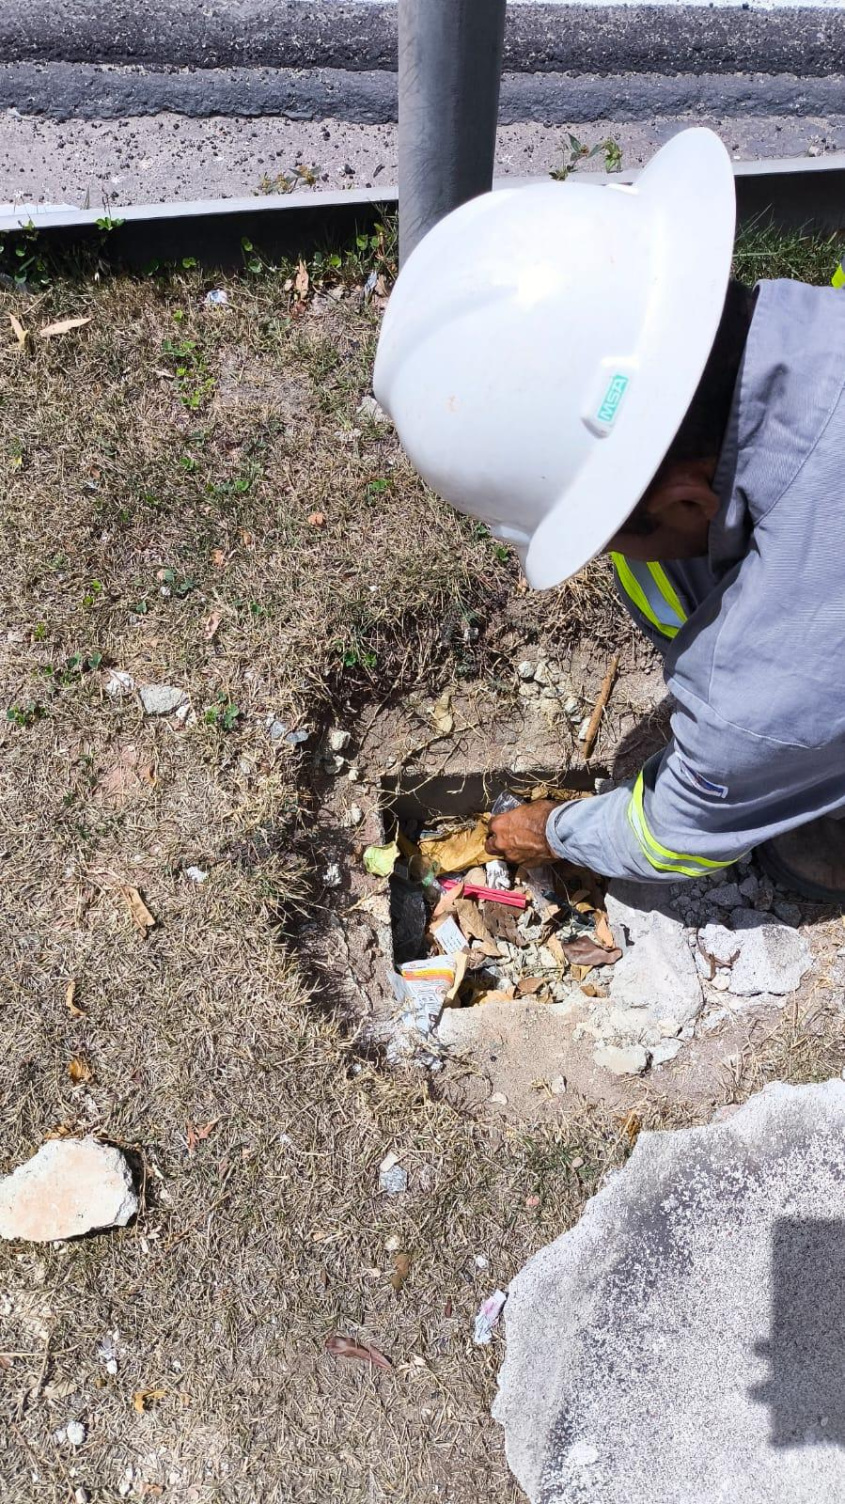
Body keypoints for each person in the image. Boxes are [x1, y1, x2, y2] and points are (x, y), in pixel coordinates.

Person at [373, 128, 845, 902]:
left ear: (689, 497)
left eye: (607, 532)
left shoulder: (759, 697)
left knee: (804, 844)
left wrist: (546, 830)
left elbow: (667, 840)